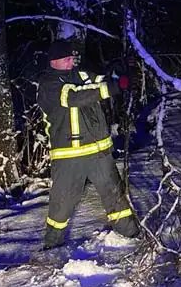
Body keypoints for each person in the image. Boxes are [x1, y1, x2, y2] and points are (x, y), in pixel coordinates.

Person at [37, 40, 140, 249]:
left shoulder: (81, 74)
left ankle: (132, 236)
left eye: (71, 58)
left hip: (99, 150)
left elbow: (102, 79)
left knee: (114, 195)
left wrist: (121, 70)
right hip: (68, 155)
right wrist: (111, 87)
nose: (70, 62)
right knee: (62, 203)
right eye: (66, 59)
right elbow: (76, 96)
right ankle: (52, 246)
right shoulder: (48, 85)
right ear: (54, 61)